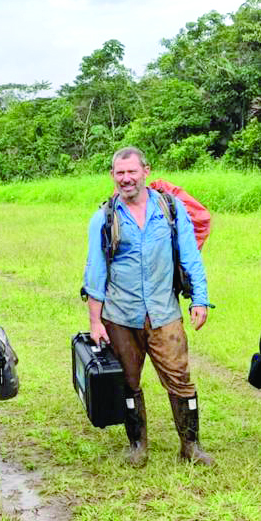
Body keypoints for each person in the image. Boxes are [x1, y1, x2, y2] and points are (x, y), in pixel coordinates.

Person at [83, 147, 215, 467]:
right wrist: (96, 322)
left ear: (145, 171)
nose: (126, 178)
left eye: (132, 171)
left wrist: (199, 298)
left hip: (164, 311)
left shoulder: (171, 208)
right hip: (120, 315)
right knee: (128, 381)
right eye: (119, 173)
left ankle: (191, 446)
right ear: (113, 176)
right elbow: (95, 272)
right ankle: (137, 445)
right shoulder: (104, 217)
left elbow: (189, 255)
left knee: (180, 378)